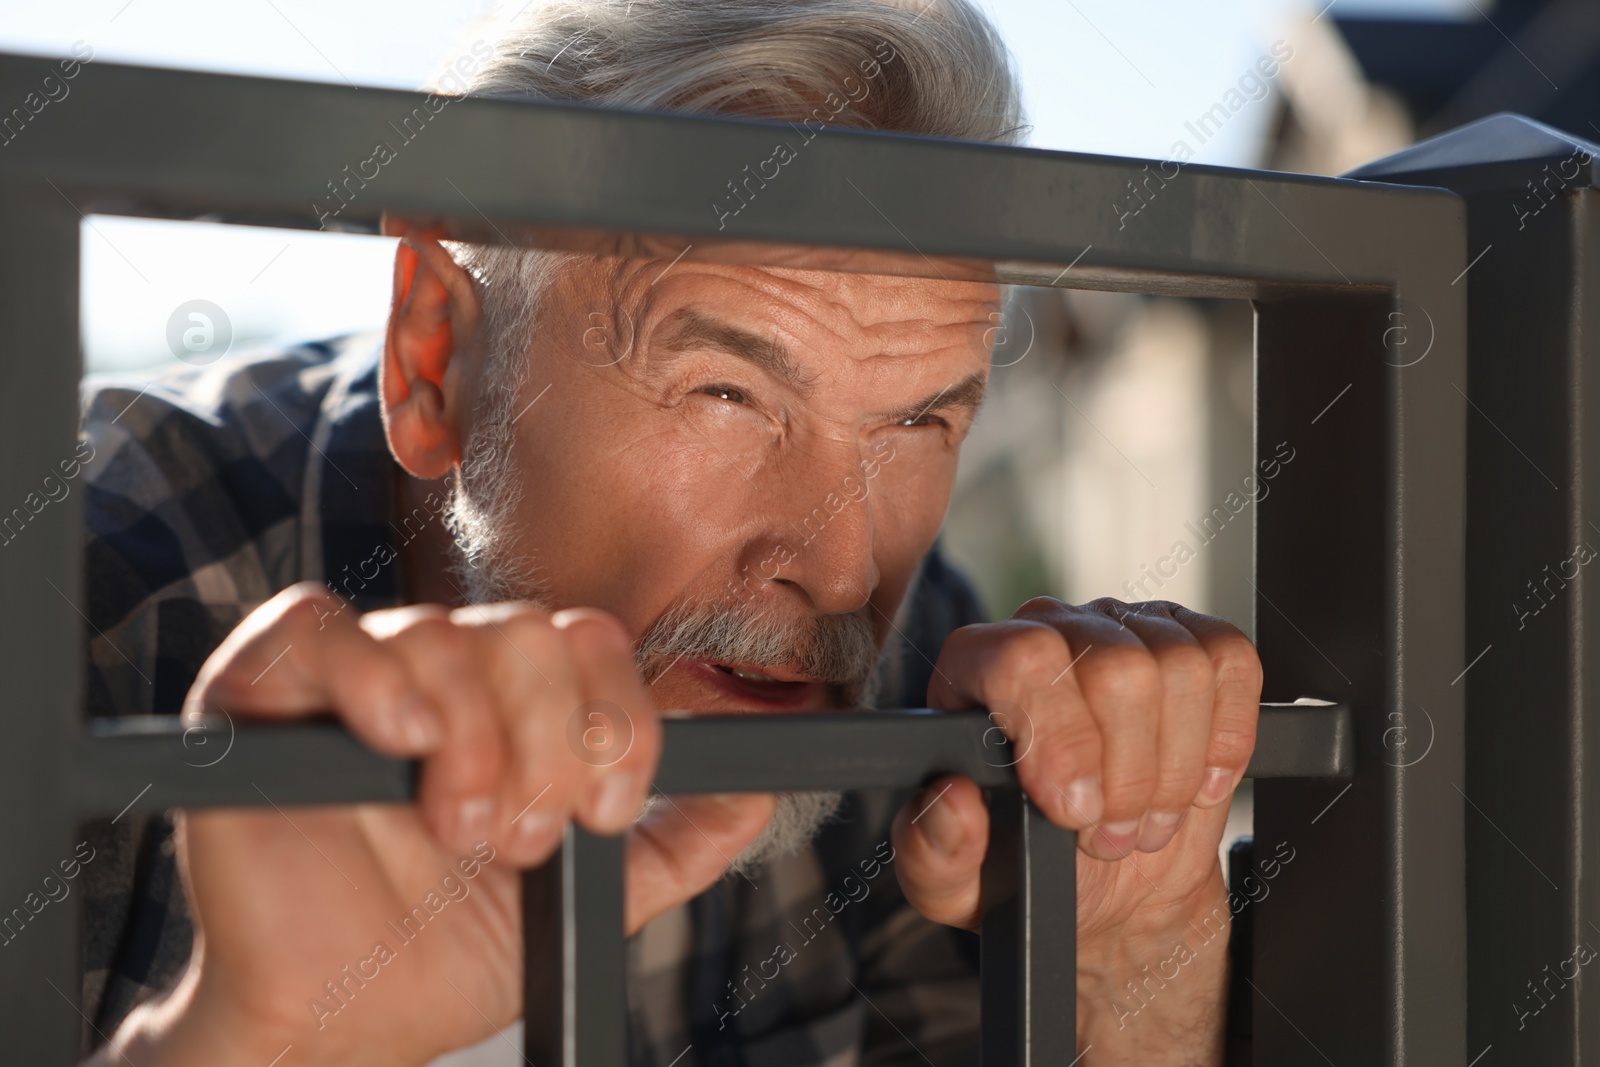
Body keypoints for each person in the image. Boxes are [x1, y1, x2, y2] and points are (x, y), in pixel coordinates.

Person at [76, 1, 1261, 1064]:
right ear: (436, 355)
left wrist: (1126, 970)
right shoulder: (85, 598)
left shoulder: (921, 666)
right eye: (727, 394)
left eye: (915, 418)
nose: (844, 572)